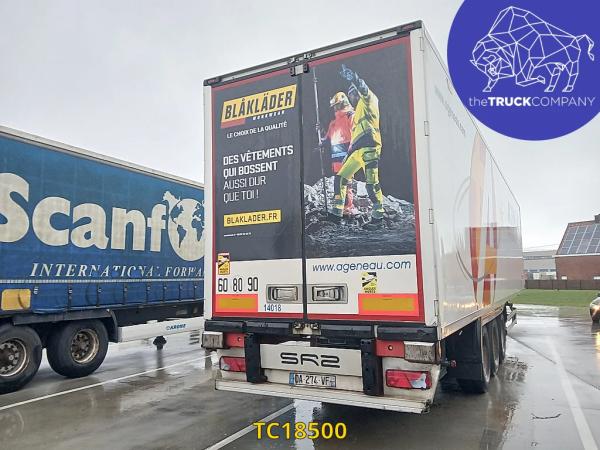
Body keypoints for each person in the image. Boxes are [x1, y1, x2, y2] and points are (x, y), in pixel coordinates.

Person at [329, 64, 384, 230]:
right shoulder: (356, 110)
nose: (351, 97)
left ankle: (378, 218)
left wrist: (353, 78)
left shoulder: (369, 100)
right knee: (340, 178)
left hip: (370, 147)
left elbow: (363, 89)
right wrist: (348, 154)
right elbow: (354, 136)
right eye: (350, 94)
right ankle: (336, 215)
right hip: (357, 150)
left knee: (371, 184)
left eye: (353, 93)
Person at [324, 92, 356, 215]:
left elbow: (355, 136)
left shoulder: (350, 116)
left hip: (347, 157)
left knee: (346, 184)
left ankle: (348, 208)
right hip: (336, 159)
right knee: (338, 184)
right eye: (334, 106)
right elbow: (327, 139)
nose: (335, 108)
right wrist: (319, 133)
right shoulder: (333, 123)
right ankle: (339, 208)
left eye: (337, 105)